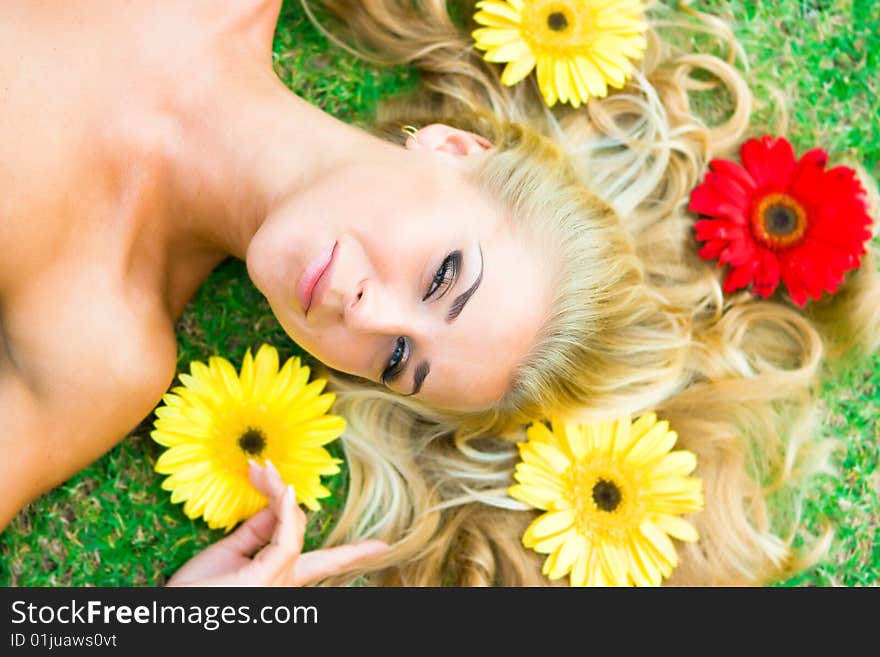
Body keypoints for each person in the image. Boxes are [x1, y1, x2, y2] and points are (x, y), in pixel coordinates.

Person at [1, 0, 876, 586]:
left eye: (396, 359)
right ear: (455, 150)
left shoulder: (98, 351)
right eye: (443, 278)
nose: (371, 315)